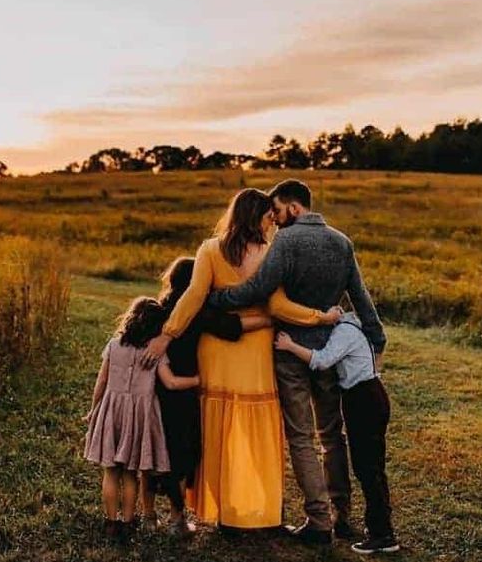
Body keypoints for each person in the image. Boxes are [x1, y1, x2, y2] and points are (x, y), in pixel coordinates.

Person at [141, 189, 341, 530]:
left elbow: (193, 297)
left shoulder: (209, 249)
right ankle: (261, 512)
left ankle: (226, 513)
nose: (272, 224)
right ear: (256, 217)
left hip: (216, 352)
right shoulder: (270, 254)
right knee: (256, 433)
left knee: (220, 434)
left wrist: (167, 334)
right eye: (268, 217)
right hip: (257, 353)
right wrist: (320, 316)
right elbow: (277, 308)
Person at [207, 179, 387, 545]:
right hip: (328, 352)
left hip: (290, 351)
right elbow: (360, 296)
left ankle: (319, 521)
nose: (273, 217)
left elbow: (259, 290)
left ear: (293, 208)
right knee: (333, 436)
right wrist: (376, 336)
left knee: (302, 438)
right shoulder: (342, 242)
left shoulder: (286, 241)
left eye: (276, 210)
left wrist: (219, 298)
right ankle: (342, 516)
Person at [145, 256, 273, 536]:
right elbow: (231, 327)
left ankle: (149, 514)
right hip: (183, 391)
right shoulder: (194, 310)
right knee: (182, 453)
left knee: (155, 450)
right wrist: (266, 319)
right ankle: (177, 519)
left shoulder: (158, 309)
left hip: (152, 391)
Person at [275, 311, 399, 554]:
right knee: (371, 467)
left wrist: (289, 345)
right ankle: (380, 529)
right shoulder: (354, 325)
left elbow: (321, 360)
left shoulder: (343, 332)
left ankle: (383, 535)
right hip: (368, 395)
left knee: (368, 468)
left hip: (363, 398)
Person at [83, 296, 197, 539]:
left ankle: (111, 522)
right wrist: (200, 380)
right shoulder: (155, 353)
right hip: (139, 418)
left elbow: (101, 382)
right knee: (130, 473)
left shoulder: (114, 345)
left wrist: (94, 410)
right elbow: (171, 382)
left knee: (111, 471)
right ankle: (128, 521)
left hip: (112, 411)